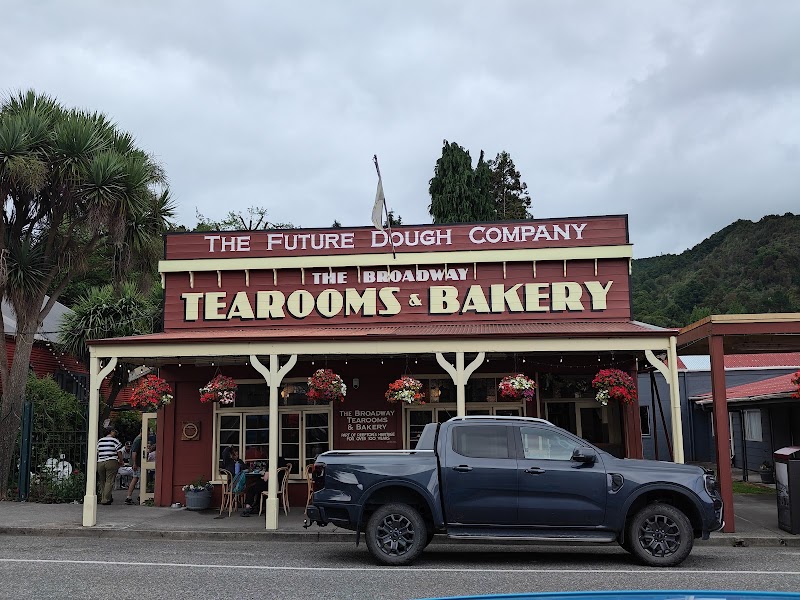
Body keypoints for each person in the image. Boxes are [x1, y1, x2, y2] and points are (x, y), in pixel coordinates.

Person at [96, 427, 123, 505]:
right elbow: (119, 451)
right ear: (110, 432)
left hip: (100, 462)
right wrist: (121, 460)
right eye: (113, 431)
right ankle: (105, 499)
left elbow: (97, 451)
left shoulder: (100, 441)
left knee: (102, 481)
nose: (114, 432)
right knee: (109, 480)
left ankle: (105, 497)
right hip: (111, 461)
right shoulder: (114, 440)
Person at [125, 432, 142, 505]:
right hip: (137, 463)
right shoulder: (138, 440)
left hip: (137, 463)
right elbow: (134, 452)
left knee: (135, 478)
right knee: (137, 478)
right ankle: (133, 496)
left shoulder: (138, 439)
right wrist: (135, 463)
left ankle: (129, 496)